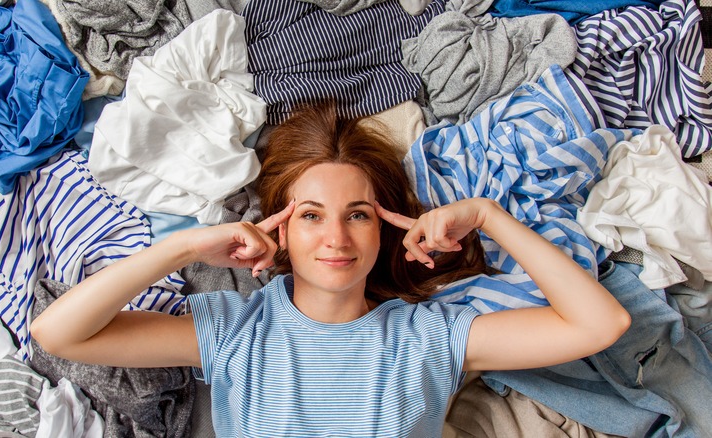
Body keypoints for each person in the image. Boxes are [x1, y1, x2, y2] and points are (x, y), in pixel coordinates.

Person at [31, 102, 631, 437]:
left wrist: (488, 216)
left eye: (359, 215)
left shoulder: (430, 334)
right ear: (280, 230)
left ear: (385, 230)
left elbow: (598, 324)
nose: (337, 238)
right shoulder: (235, 328)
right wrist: (184, 248)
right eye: (312, 214)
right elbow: (59, 334)